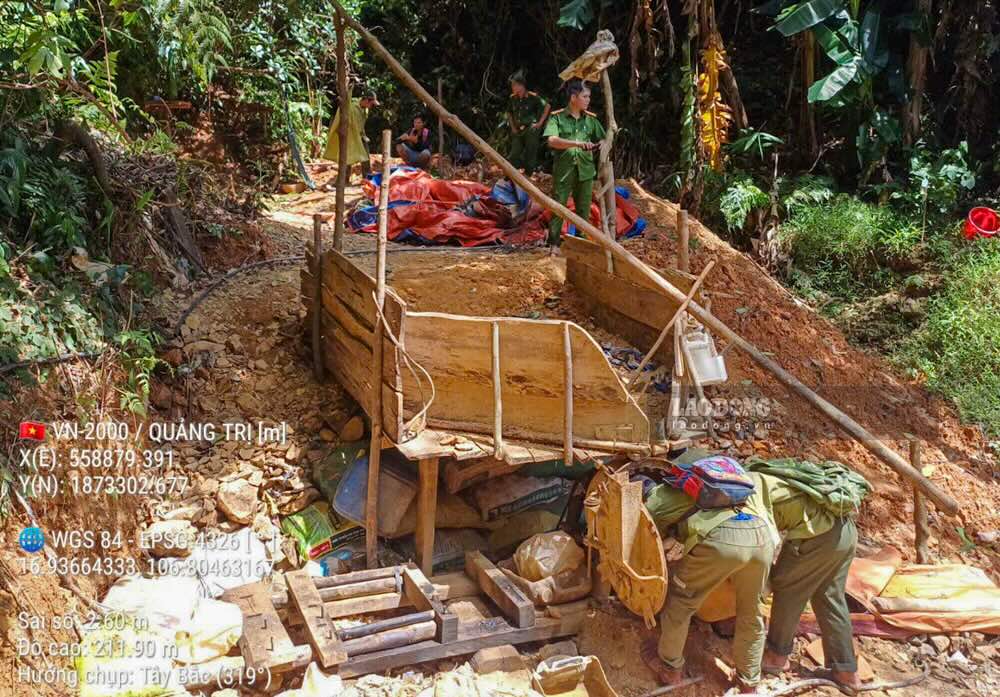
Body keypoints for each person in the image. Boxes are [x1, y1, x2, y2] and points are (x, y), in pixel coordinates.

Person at [641, 463, 778, 692]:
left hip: (721, 540)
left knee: (681, 603)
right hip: (760, 535)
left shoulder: (658, 498)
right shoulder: (713, 485)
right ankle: (749, 681)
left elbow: (648, 535)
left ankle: (669, 668)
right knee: (751, 610)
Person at [758, 472, 862, 691]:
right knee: (829, 597)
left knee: (788, 589)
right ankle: (846, 672)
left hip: (819, 534)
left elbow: (759, 544)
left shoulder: (744, 498)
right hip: (846, 530)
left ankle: (776, 656)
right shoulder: (765, 480)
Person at [542, 79, 604, 255]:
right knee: (558, 207)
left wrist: (599, 145)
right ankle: (554, 244)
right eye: (585, 96)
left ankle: (580, 245)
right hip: (564, 170)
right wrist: (576, 143)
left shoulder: (591, 120)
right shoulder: (557, 117)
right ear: (573, 97)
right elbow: (552, 141)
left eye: (589, 97)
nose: (588, 100)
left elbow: (604, 137)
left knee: (584, 208)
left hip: (585, 170)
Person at [324, 92, 378, 180]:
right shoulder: (351, 106)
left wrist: (363, 135)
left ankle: (367, 178)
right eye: (371, 104)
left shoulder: (365, 110)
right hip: (350, 135)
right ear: (366, 100)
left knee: (365, 156)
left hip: (360, 135)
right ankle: (344, 179)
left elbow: (361, 123)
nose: (372, 106)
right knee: (348, 157)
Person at [506, 69, 550, 173]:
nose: (512, 87)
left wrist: (540, 123)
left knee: (530, 153)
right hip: (518, 129)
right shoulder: (513, 98)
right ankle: (511, 175)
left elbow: (547, 106)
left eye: (514, 85)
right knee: (514, 154)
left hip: (530, 129)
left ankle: (528, 175)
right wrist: (513, 127)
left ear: (521, 86)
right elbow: (509, 112)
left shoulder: (533, 97)